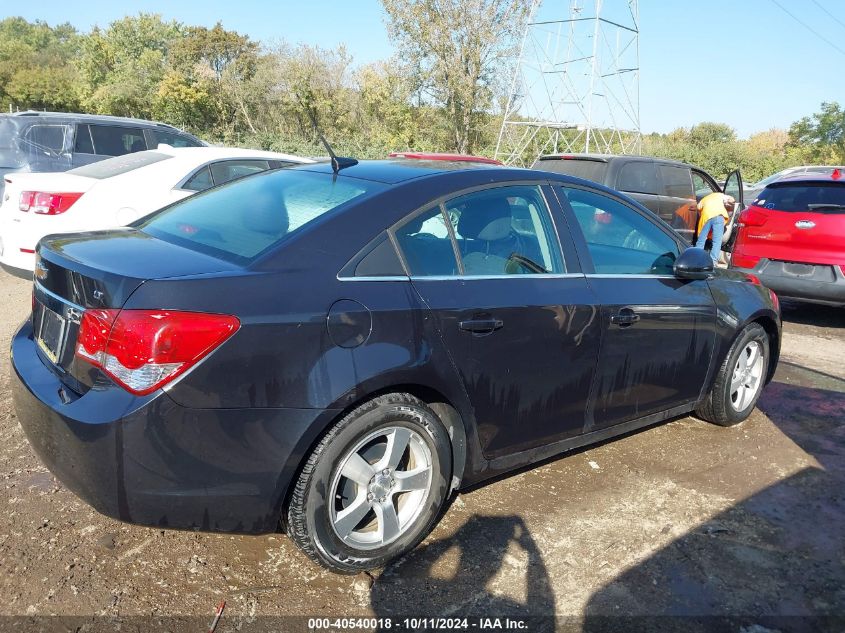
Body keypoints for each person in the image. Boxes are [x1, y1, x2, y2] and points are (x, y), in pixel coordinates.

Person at [695, 191, 735, 263]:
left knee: (701, 240)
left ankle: (696, 259)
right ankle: (713, 262)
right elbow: (731, 200)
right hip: (719, 217)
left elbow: (698, 208)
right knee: (717, 242)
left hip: (706, 217)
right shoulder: (721, 196)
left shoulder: (705, 198)